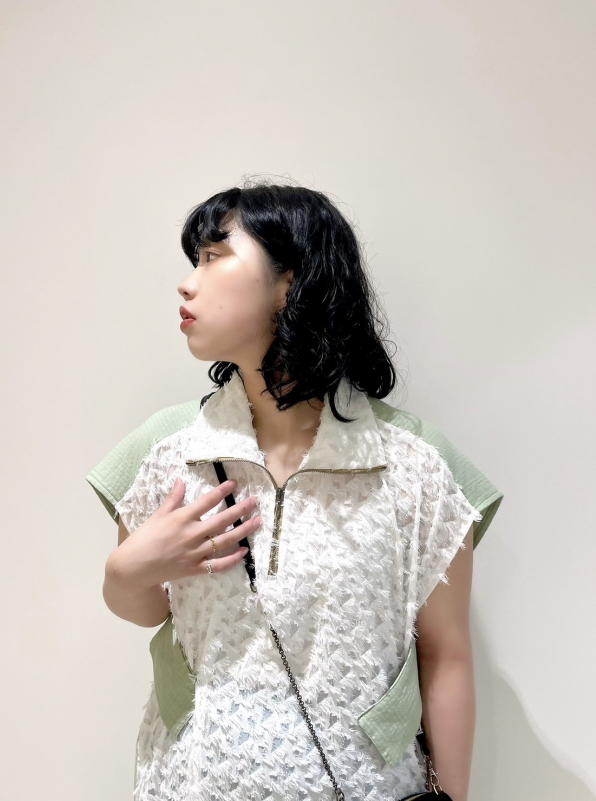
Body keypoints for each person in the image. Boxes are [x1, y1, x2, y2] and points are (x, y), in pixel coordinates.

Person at [87, 180, 503, 801]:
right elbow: (146, 609)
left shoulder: (416, 467)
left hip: (363, 786)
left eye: (213, 256)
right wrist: (124, 572)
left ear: (290, 280)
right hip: (192, 782)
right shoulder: (168, 450)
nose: (187, 283)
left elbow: (446, 656)